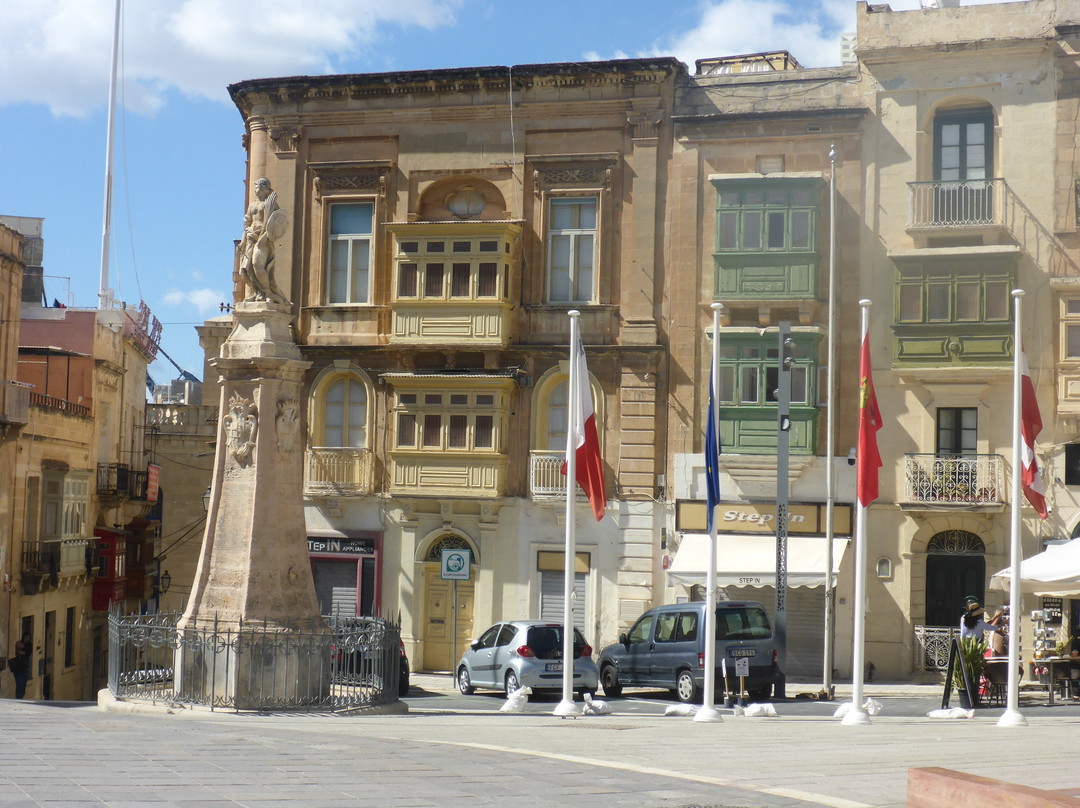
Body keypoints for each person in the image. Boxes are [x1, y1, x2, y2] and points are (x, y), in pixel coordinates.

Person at [237, 177, 290, 305]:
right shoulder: (252, 205)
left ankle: (268, 292)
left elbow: (277, 222)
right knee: (245, 270)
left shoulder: (270, 204)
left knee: (257, 264)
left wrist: (264, 236)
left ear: (265, 188)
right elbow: (247, 222)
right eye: (255, 186)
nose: (256, 189)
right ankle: (257, 292)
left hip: (263, 240)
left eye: (258, 186)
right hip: (251, 239)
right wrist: (246, 236)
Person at [10, 632, 31, 699]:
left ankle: (21, 697)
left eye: (28, 638)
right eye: (26, 638)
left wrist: (23, 651)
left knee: (24, 684)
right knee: (20, 684)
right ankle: (18, 698)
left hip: (25, 666)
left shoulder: (29, 645)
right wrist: (22, 651)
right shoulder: (18, 643)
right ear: (23, 637)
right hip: (18, 667)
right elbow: (17, 652)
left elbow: (28, 652)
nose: (27, 639)